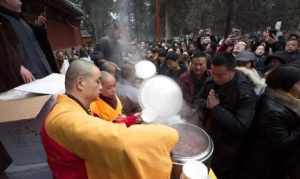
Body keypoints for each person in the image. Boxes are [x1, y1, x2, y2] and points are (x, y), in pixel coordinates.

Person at [41, 60, 178, 179]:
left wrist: (134, 118)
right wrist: (169, 134)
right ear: (81, 83)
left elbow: (105, 127)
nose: (100, 87)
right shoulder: (64, 118)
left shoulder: (74, 108)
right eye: (97, 81)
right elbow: (119, 139)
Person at [199, 53, 258, 179]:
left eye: (220, 75)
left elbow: (241, 126)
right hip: (208, 135)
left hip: (228, 147)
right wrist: (206, 104)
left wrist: (216, 108)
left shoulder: (244, 92)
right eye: (212, 73)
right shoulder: (211, 81)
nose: (215, 78)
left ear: (233, 71)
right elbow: (198, 100)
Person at [237, 66, 300, 179]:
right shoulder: (272, 111)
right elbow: (283, 144)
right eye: (299, 84)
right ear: (285, 85)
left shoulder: (288, 100)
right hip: (265, 167)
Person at [0, 0, 59, 86]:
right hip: (27, 83)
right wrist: (17, 66)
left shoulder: (22, 19)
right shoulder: (3, 22)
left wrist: (38, 28)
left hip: (46, 74)